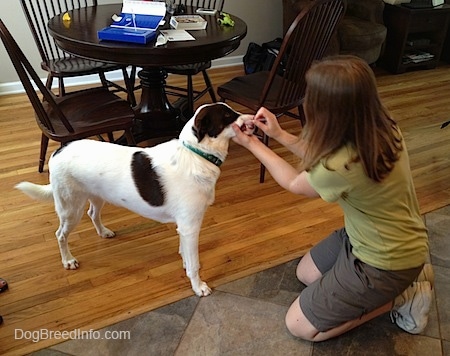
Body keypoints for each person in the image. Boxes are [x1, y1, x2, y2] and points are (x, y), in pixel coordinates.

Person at [231, 55, 433, 342]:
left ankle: (404, 296)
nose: (306, 100)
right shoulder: (381, 127)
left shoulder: (344, 164)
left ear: (330, 111)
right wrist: (278, 134)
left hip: (386, 261)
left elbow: (294, 182)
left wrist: (250, 142)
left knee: (300, 326)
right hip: (376, 239)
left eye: (311, 96)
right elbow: (323, 160)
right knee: (306, 273)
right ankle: (387, 282)